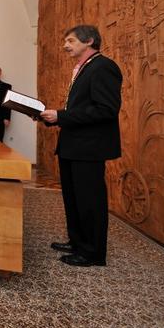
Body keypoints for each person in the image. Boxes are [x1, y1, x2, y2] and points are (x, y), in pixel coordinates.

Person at [40, 25, 122, 268]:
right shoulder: (84, 67)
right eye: (66, 41)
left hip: (89, 148)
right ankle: (77, 242)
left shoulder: (103, 66)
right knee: (73, 198)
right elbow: (81, 109)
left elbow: (106, 110)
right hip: (73, 145)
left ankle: (93, 253)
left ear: (89, 41)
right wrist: (53, 117)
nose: (65, 46)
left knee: (89, 201)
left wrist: (61, 116)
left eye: (71, 41)